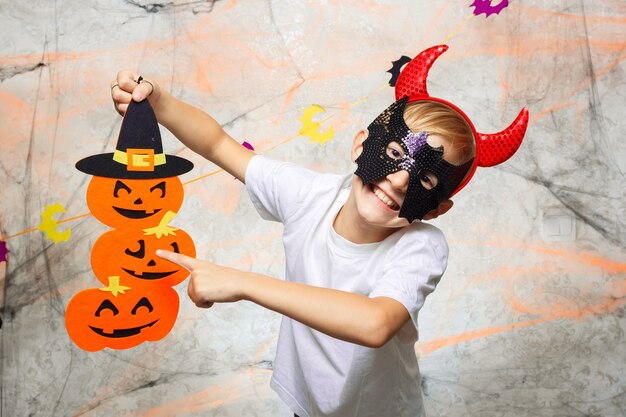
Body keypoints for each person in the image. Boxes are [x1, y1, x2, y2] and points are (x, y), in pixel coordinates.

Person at [110, 44, 527, 417]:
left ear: (438, 209)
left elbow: (376, 324)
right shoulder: (310, 195)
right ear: (362, 144)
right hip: (307, 403)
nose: (400, 181)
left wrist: (243, 283)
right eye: (395, 154)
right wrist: (158, 103)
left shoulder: (421, 246)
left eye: (426, 181)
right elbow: (218, 144)